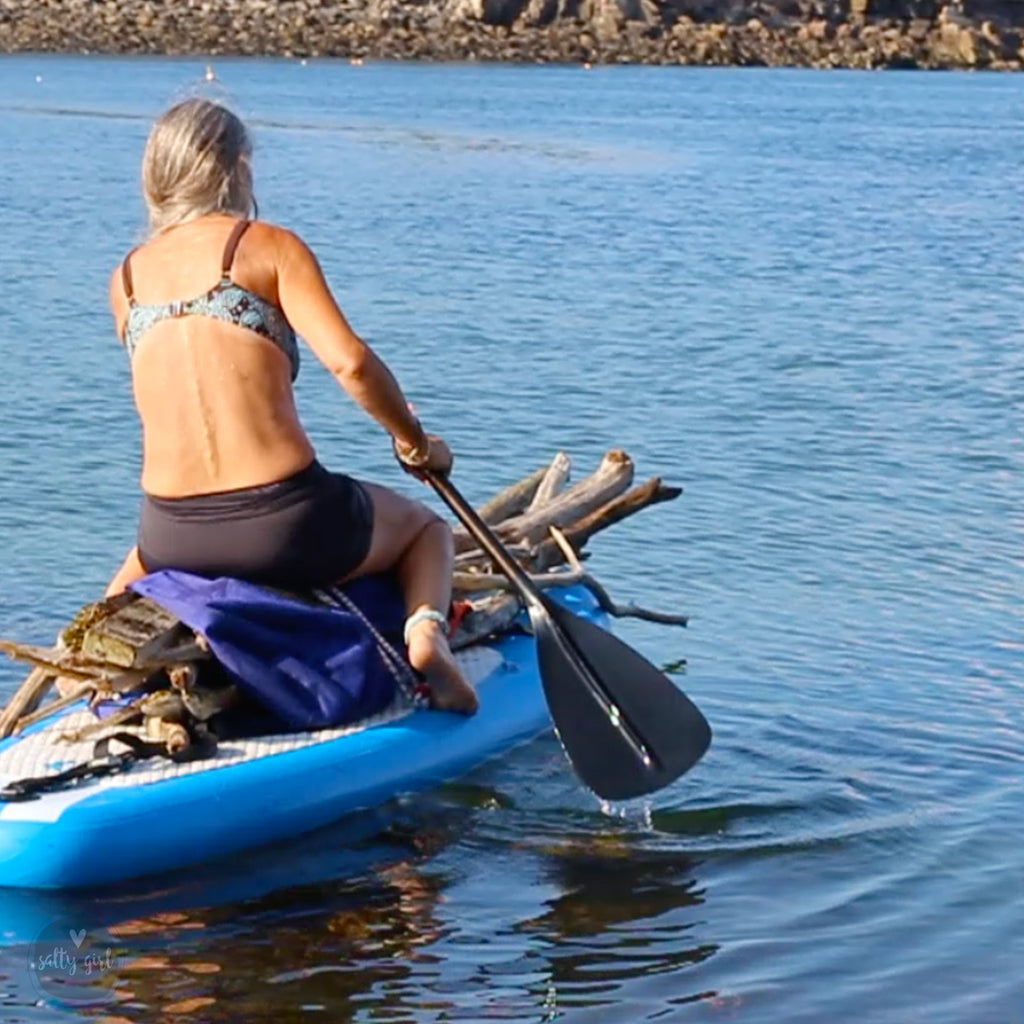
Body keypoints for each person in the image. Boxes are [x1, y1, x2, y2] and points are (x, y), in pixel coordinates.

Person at [105, 97, 478, 715]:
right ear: (238, 167)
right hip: (284, 526)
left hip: (172, 532)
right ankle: (426, 637)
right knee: (426, 528)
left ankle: (88, 673)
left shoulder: (126, 280)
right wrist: (414, 442)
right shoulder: (268, 247)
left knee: (135, 562)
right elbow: (351, 364)